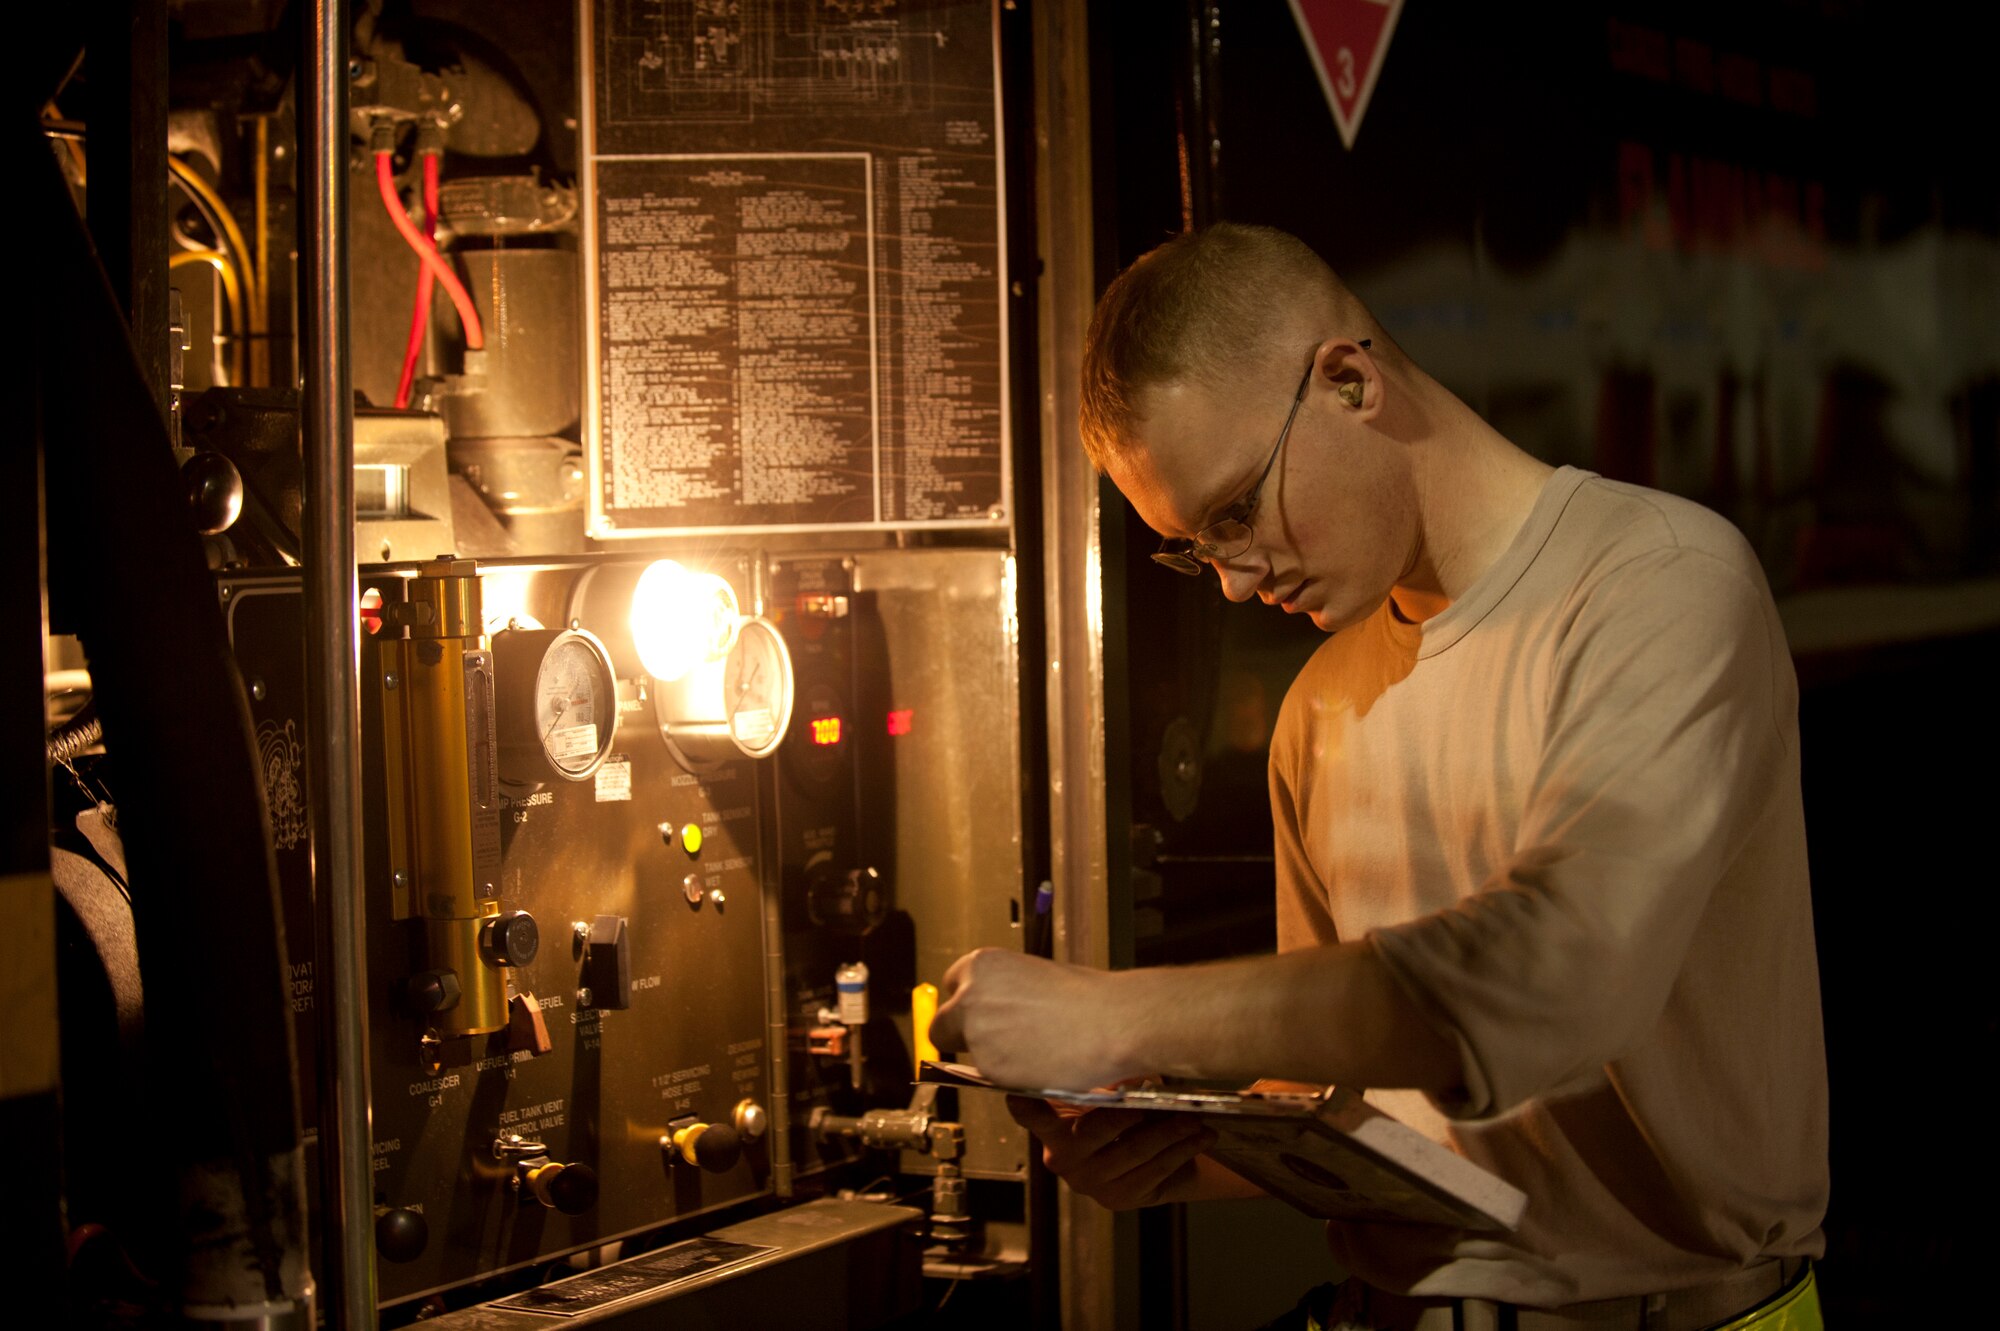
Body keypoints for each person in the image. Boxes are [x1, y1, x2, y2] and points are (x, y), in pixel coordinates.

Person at [928, 223, 1827, 1327]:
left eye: (1231, 514)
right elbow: (1345, 1099)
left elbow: (1548, 982)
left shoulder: (1662, 586)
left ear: (1349, 381)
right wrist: (1191, 1155)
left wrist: (1119, 1016)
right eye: (1193, 549)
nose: (1228, 580)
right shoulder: (1320, 703)